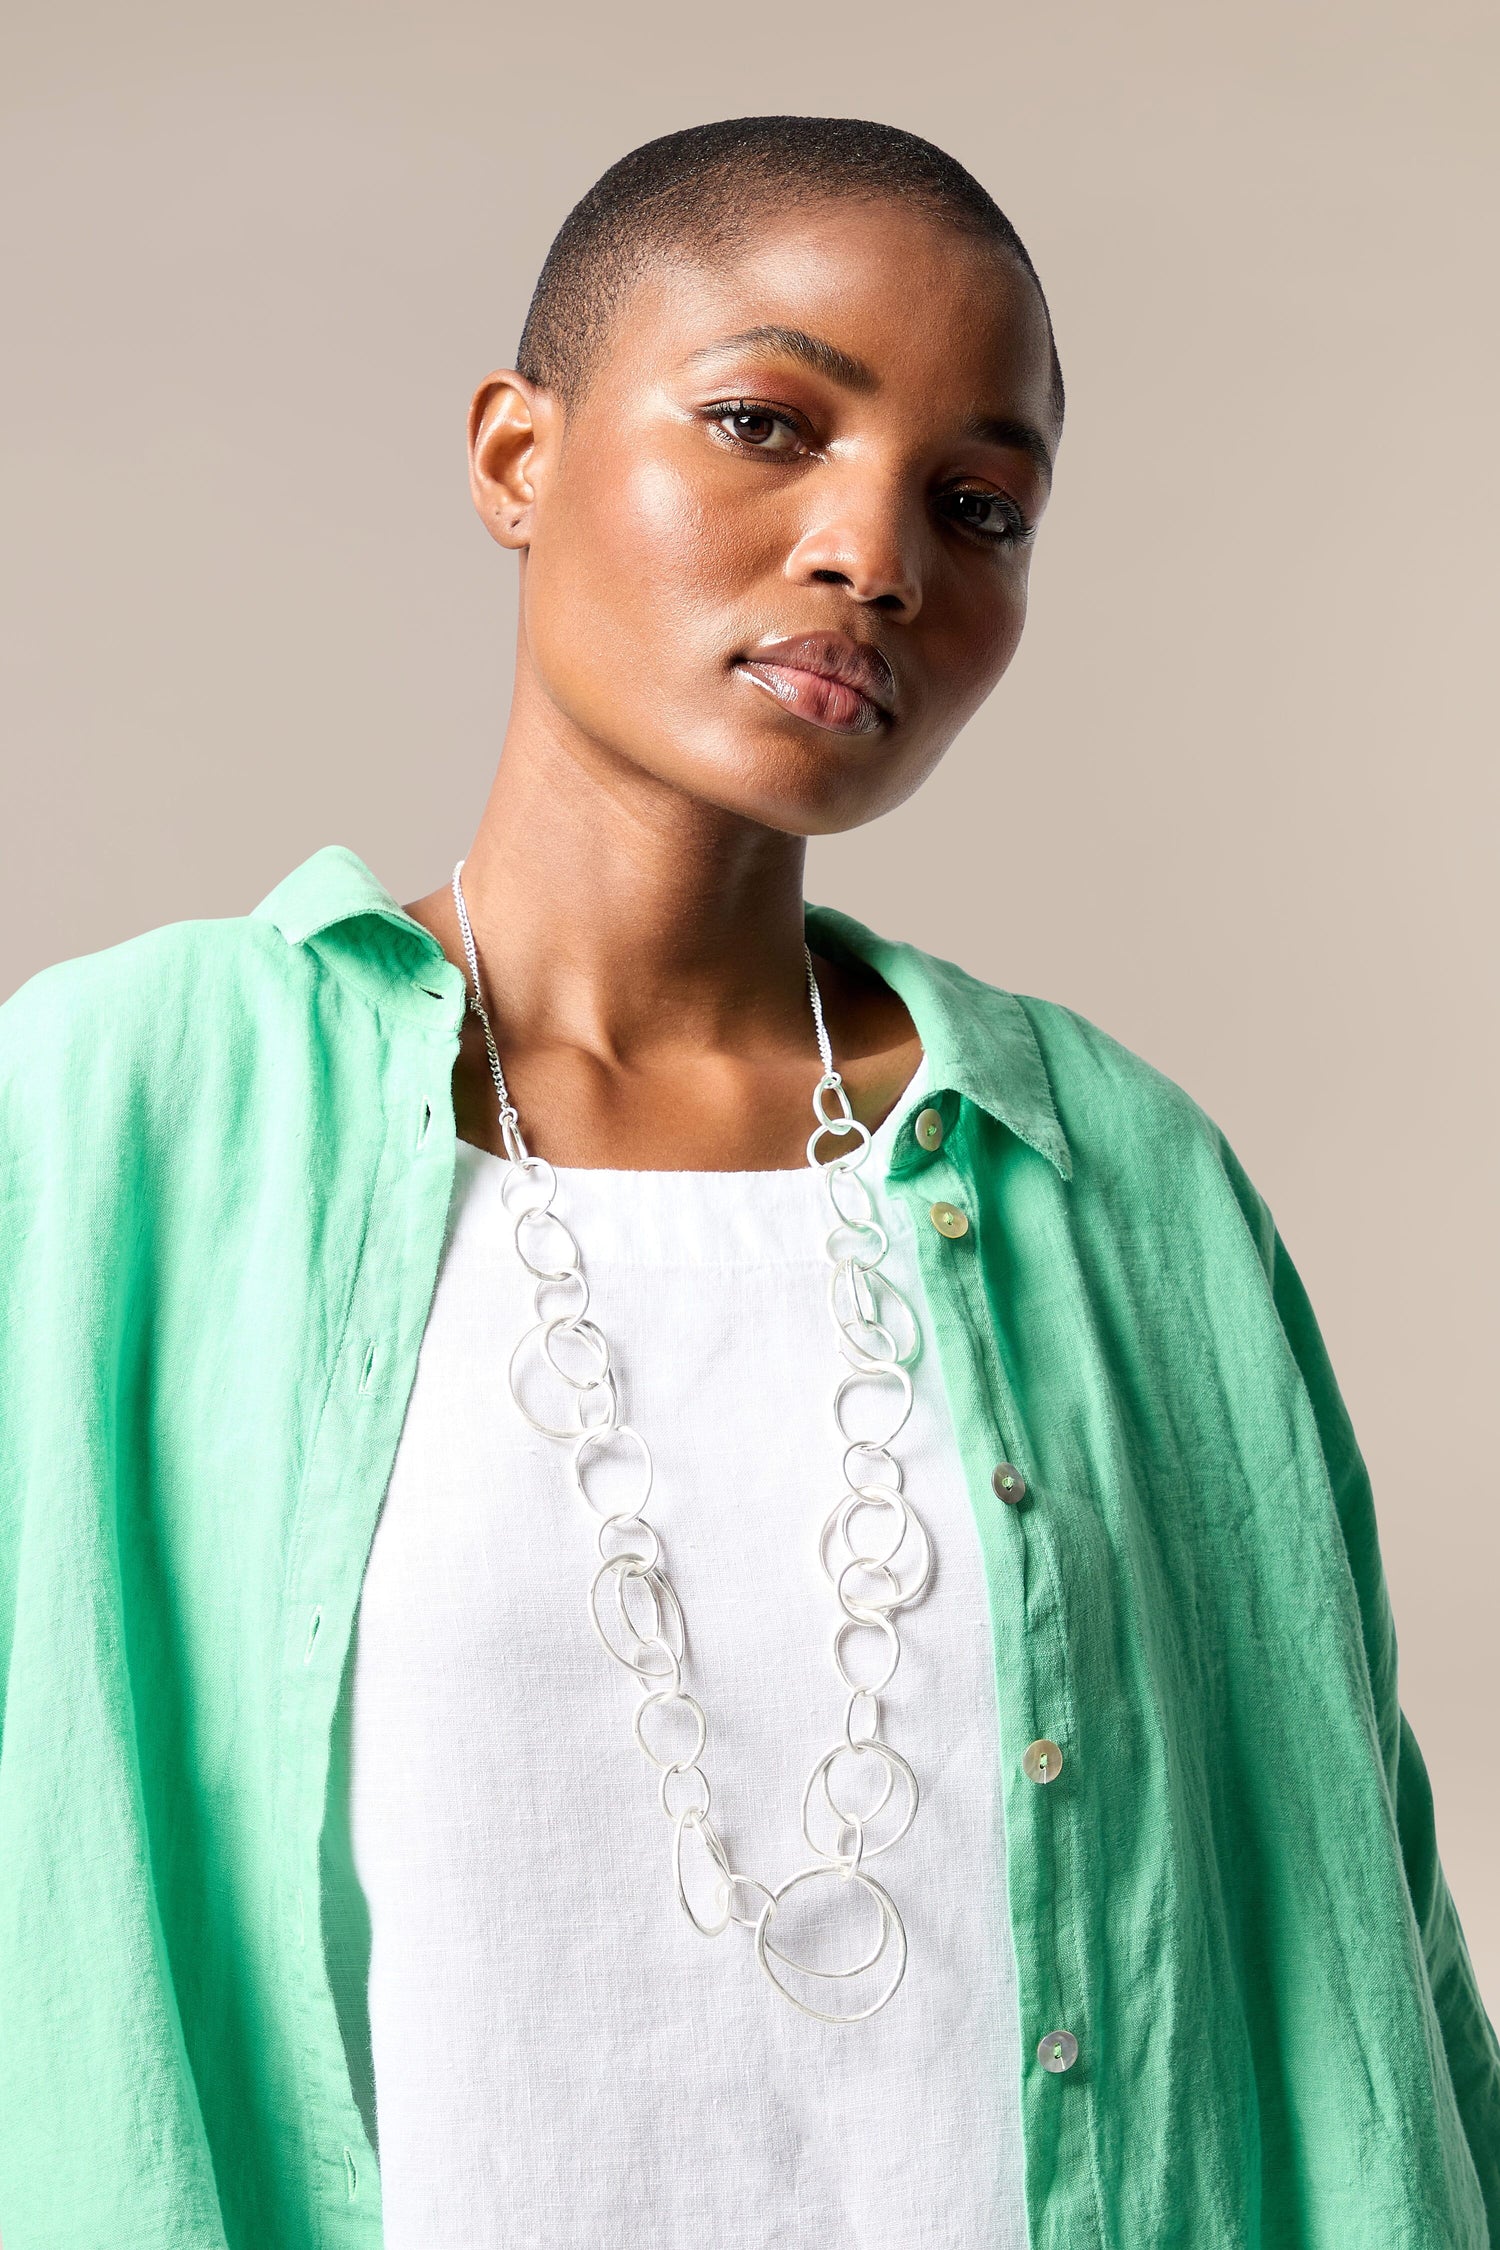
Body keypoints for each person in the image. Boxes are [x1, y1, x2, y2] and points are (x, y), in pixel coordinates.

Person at [0, 112, 1494, 2250]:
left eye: (976, 505)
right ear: (518, 458)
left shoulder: (1117, 1180)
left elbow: (1363, 1970)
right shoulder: (119, 1120)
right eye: (766, 422)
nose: (874, 553)